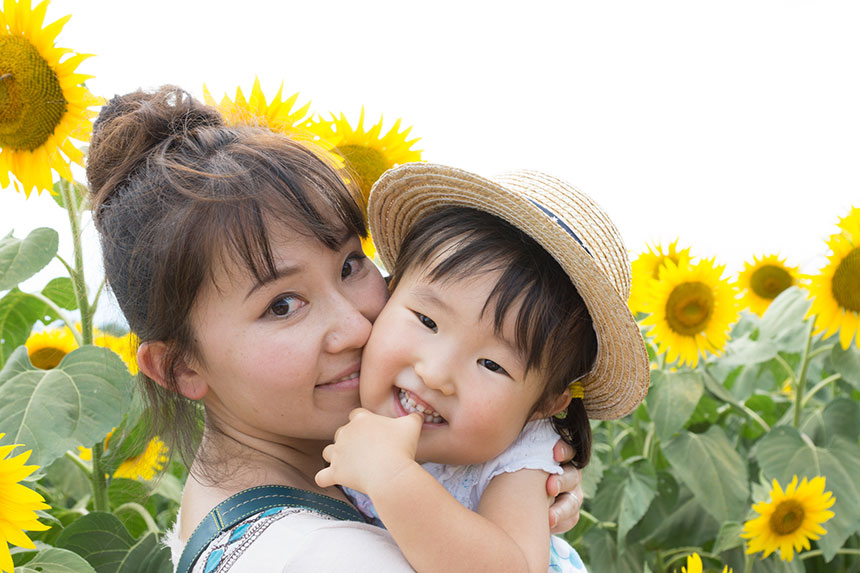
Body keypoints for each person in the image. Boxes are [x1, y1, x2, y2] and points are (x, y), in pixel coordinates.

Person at [85, 86, 585, 572]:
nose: (355, 326)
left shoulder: (311, 486)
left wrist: (510, 484)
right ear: (180, 366)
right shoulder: (320, 555)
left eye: (350, 265)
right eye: (282, 305)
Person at [315, 164, 650, 572]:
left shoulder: (518, 460)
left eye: (491, 364)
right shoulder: (338, 388)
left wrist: (391, 477)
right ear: (389, 291)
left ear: (545, 402)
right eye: (427, 321)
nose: (435, 373)